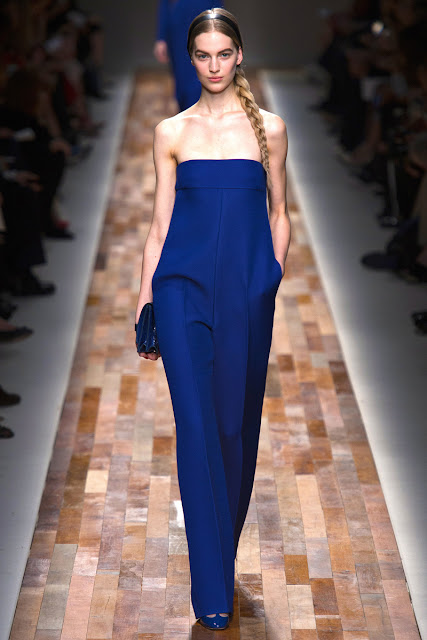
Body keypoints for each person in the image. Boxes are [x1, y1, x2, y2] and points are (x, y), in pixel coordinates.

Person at [136, 7, 291, 630]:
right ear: (190, 59)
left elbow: (280, 213)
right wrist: (145, 302)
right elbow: (159, 227)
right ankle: (211, 590)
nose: (214, 66)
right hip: (181, 290)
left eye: (223, 54)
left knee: (235, 426)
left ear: (239, 55)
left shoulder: (269, 129)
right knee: (198, 428)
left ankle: (219, 555)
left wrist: (269, 278)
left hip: (246, 293)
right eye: (203, 55)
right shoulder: (171, 132)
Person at [154, 0, 224, 111]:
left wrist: (221, 28)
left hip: (205, 21)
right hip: (179, 27)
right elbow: (165, 3)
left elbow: (218, 3)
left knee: (204, 74)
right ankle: (187, 113)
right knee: (182, 80)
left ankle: (200, 113)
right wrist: (161, 37)